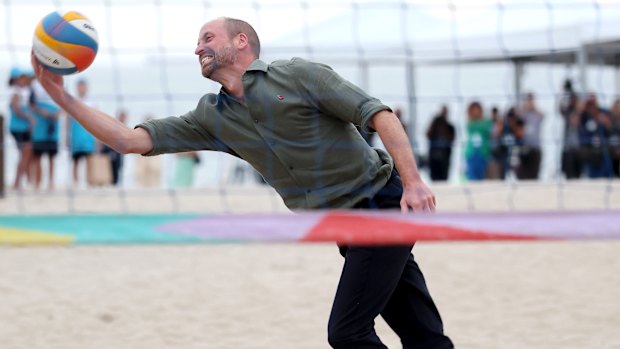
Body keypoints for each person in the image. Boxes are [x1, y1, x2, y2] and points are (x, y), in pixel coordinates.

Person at [32, 17, 453, 349]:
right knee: (421, 333)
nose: (198, 46)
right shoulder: (211, 117)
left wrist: (414, 182)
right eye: (198, 41)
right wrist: (62, 96)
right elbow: (128, 140)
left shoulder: (297, 75)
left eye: (208, 37)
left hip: (382, 202)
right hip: (342, 224)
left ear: (241, 42)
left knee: (347, 334)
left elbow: (379, 114)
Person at [30, 78, 61, 191]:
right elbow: (31, 104)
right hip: (40, 126)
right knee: (38, 155)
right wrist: (43, 112)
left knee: (51, 156)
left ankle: (51, 183)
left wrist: (57, 114)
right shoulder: (34, 83)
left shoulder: (59, 79)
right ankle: (38, 182)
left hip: (54, 126)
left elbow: (65, 102)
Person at [7, 67, 36, 191]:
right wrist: (29, 118)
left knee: (25, 154)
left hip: (21, 128)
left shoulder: (22, 91)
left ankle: (21, 181)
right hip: (18, 128)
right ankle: (17, 182)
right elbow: (16, 109)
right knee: (25, 154)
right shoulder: (15, 91)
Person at [66, 78, 98, 187]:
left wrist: (98, 138)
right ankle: (76, 183)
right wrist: (66, 137)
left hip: (88, 136)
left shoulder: (92, 102)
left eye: (83, 86)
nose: (82, 89)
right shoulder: (72, 101)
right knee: (75, 161)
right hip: (76, 137)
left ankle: (89, 182)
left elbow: (97, 121)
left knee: (89, 159)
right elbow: (68, 121)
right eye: (80, 86)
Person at [516, 93, 544, 180]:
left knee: (534, 177)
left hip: (535, 149)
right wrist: (524, 107)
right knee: (522, 177)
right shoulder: (522, 114)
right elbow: (516, 118)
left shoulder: (537, 114)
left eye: (531, 100)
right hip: (524, 149)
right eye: (528, 100)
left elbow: (543, 115)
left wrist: (533, 107)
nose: (529, 102)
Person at [426, 104, 455, 181]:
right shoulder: (435, 124)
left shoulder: (450, 126)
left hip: (444, 155)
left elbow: (452, 138)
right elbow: (428, 134)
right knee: (434, 177)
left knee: (443, 177)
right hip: (434, 154)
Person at [464, 101, 492, 181]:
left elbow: (487, 130)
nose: (475, 111)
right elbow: (470, 128)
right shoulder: (470, 122)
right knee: (471, 175)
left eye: (477, 109)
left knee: (481, 175)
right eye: (473, 110)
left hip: (482, 152)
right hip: (471, 152)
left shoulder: (486, 122)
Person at [101, 109, 128, 186]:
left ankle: (114, 185)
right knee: (109, 171)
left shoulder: (125, 128)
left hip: (119, 154)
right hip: (110, 151)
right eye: (122, 116)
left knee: (117, 170)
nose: (123, 118)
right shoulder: (114, 126)